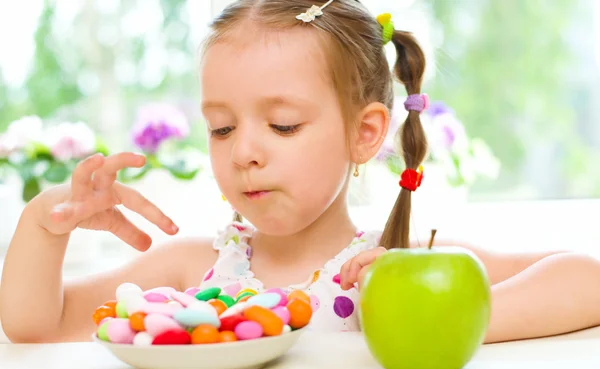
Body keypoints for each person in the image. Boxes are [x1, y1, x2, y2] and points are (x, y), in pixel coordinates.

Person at [1, 0, 599, 344]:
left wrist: (449, 315)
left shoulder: (394, 265)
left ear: (364, 133)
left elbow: (586, 278)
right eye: (222, 127)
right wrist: (45, 223)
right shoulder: (192, 268)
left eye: (282, 125)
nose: (243, 153)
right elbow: (36, 325)